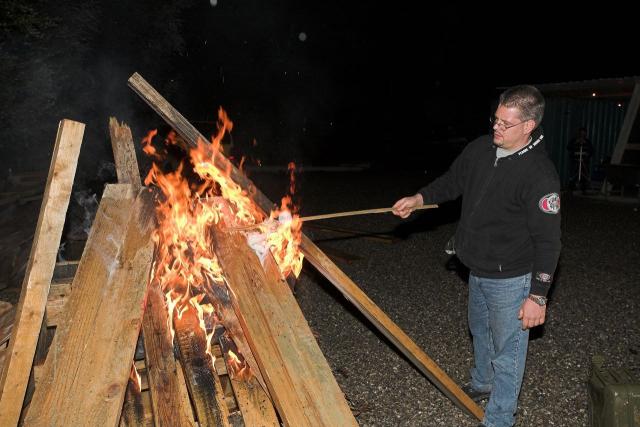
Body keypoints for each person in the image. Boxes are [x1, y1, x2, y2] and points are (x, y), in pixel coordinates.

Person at [392, 85, 561, 427]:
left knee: (508, 353)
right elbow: (452, 182)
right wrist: (420, 198)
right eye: (495, 119)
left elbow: (548, 241)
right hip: (477, 268)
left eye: (505, 123)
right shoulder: (481, 149)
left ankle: (499, 418)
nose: (496, 128)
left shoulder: (540, 175)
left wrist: (538, 297)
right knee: (479, 330)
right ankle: (482, 382)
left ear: (528, 126)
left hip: (512, 279)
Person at [567, 127, 593, 194]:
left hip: (584, 161)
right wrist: (576, 142)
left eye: (584, 134)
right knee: (573, 175)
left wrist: (587, 155)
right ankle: (571, 188)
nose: (582, 135)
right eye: (581, 133)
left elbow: (591, 151)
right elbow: (568, 147)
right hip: (575, 161)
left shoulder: (587, 142)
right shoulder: (574, 141)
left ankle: (584, 189)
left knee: (584, 175)